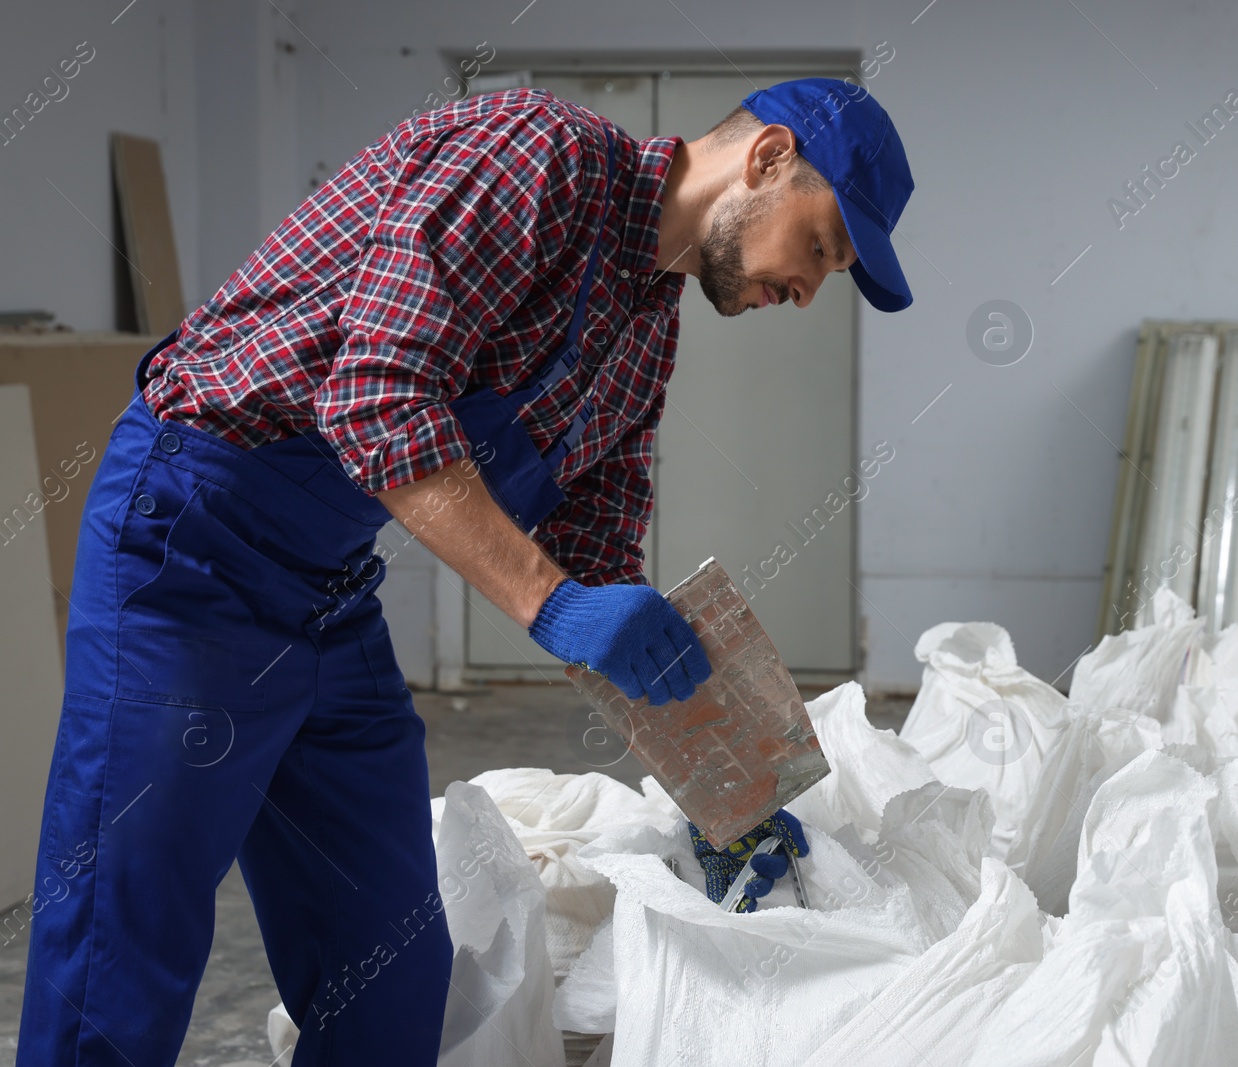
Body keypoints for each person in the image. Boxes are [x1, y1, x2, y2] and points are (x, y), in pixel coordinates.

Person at [18, 76, 914, 1064]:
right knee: (127, 939)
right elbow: (376, 396)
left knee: (391, 966)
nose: (806, 290)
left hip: (323, 588)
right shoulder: (538, 157)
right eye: (823, 248)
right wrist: (552, 603)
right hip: (189, 546)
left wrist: (724, 781)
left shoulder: (645, 331)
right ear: (769, 156)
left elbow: (597, 556)